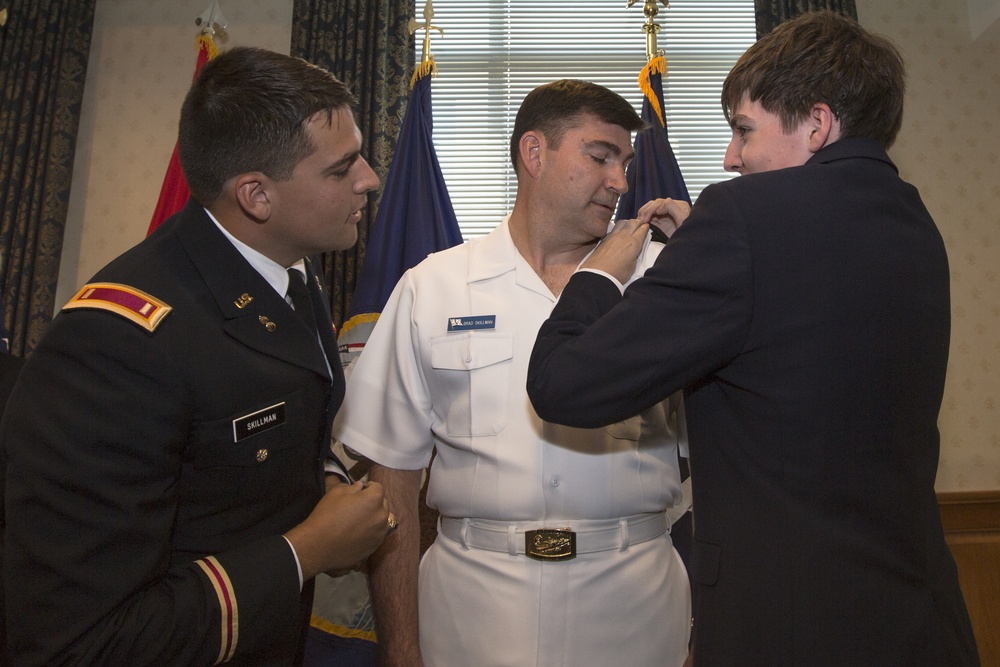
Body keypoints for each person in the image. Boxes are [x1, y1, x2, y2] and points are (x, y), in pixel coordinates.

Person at [527, 11, 980, 667]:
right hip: (916, 619)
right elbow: (800, 344)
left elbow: (562, 384)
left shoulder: (744, 217)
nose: (729, 157)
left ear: (816, 124)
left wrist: (597, 275)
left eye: (744, 130)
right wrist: (708, 261)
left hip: (789, 626)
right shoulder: (914, 223)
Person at [1, 46, 396, 666]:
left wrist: (322, 481)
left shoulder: (290, 273)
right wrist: (307, 551)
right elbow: (80, 641)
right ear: (256, 197)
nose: (370, 178)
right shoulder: (116, 345)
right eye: (341, 168)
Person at [332, 79, 692, 667]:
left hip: (636, 603)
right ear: (534, 153)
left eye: (625, 163)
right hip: (472, 605)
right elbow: (391, 476)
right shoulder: (435, 285)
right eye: (600, 156)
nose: (621, 182)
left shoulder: (666, 282)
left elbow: (741, 447)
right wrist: (400, 649)